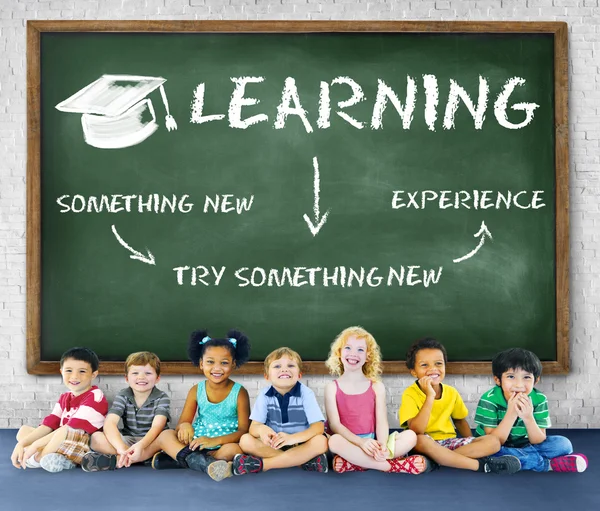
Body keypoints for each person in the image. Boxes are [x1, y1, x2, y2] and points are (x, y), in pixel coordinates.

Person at [399, 337, 521, 474]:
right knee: (419, 439)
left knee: (493, 442)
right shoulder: (410, 394)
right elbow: (416, 430)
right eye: (424, 365)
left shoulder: (451, 392)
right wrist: (430, 396)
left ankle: (440, 460)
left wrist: (471, 441)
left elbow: (460, 421)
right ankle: (479, 465)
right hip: (424, 444)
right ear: (413, 372)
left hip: (449, 443)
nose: (433, 369)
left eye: (438, 363)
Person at [325, 326, 432, 474]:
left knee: (411, 436)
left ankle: (358, 464)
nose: (353, 354)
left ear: (368, 356)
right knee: (333, 441)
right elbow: (335, 425)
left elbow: (381, 421)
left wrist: (381, 446)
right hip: (349, 442)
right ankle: (390, 466)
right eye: (348, 348)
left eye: (360, 350)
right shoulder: (332, 388)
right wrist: (361, 443)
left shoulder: (376, 387)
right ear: (339, 352)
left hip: (373, 443)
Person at [150, 329, 251, 482]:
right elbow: (182, 424)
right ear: (201, 364)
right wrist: (185, 426)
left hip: (223, 443)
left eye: (224, 363)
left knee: (234, 450)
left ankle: (185, 460)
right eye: (210, 362)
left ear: (233, 364)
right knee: (166, 435)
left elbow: (244, 430)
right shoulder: (196, 390)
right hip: (196, 443)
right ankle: (204, 464)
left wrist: (215, 441)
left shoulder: (240, 392)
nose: (217, 368)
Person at [474, 347, 588, 473]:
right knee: (485, 452)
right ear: (498, 380)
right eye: (511, 376)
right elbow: (494, 440)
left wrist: (528, 417)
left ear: (536, 380)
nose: (519, 385)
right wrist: (511, 414)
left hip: (525, 444)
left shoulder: (539, 399)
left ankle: (514, 460)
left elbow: (538, 440)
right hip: (495, 446)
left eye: (526, 377)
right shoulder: (489, 399)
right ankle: (546, 464)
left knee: (563, 444)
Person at [233, 347, 329, 475]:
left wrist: (292, 439)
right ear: (266, 376)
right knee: (245, 440)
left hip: (301, 443)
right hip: (274, 445)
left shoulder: (306, 394)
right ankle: (302, 462)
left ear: (299, 375)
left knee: (321, 441)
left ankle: (264, 465)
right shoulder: (265, 395)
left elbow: (318, 427)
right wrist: (262, 430)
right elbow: (253, 427)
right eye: (277, 366)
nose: (284, 369)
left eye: (291, 365)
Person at [10, 347, 108, 473]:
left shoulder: (95, 396)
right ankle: (57, 458)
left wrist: (34, 445)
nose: (74, 376)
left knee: (63, 431)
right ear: (61, 372)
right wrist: (21, 444)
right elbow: (50, 424)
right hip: (59, 440)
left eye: (82, 371)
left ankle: (38, 458)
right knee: (24, 431)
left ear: (93, 374)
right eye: (68, 371)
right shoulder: (65, 397)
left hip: (80, 444)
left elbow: (70, 429)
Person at [80, 351, 170, 471]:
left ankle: (119, 460)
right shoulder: (123, 395)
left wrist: (141, 445)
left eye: (148, 373)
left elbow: (157, 427)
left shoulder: (162, 397)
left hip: (152, 441)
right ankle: (137, 458)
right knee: (96, 437)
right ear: (127, 378)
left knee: (169, 436)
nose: (141, 377)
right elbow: (110, 423)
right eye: (135, 373)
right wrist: (121, 447)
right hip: (129, 440)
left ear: (157, 378)